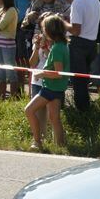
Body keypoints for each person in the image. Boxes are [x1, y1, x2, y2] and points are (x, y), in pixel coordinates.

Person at [25, 14, 68, 150]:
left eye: (44, 29)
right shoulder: (62, 46)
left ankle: (37, 141)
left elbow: (58, 73)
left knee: (29, 110)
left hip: (50, 88)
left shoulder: (56, 49)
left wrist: (41, 73)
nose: (43, 32)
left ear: (50, 31)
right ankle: (61, 146)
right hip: (58, 89)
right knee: (54, 118)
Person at [62, 0, 100, 111]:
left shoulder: (78, 1)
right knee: (84, 81)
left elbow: (76, 30)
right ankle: (86, 108)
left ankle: (82, 112)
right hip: (92, 43)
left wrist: (63, 23)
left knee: (78, 82)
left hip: (78, 44)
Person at [0, 0, 19, 99]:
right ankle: (2, 97)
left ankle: (13, 97)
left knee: (10, 71)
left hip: (8, 45)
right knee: (0, 72)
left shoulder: (12, 10)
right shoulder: (0, 10)